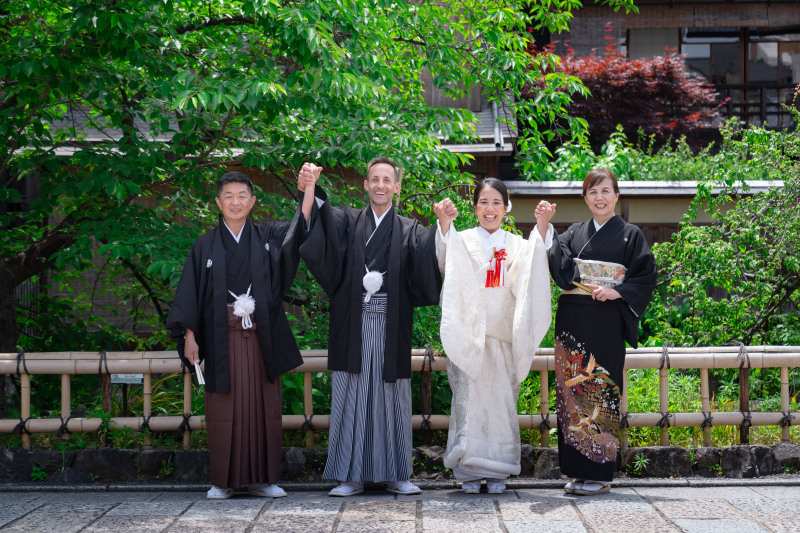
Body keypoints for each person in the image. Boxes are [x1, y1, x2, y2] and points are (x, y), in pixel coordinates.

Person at [296, 157, 442, 497]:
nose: (380, 185)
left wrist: (443, 226)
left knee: (392, 397)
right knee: (352, 393)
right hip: (353, 320)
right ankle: (351, 476)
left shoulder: (409, 228)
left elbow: (427, 262)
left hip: (391, 322)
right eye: (374, 179)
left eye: (386, 180)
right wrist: (311, 186)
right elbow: (320, 223)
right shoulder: (348, 221)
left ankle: (398, 474)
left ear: (396, 186)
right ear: (365, 185)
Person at [166, 171, 315, 499]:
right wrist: (189, 336)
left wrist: (309, 188)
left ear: (253, 202)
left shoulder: (267, 237)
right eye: (228, 196)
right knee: (223, 410)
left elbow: (299, 228)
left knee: (266, 408)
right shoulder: (204, 244)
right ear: (218, 203)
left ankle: (266, 480)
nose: (235, 202)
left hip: (262, 339)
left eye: (242, 196)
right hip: (221, 340)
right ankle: (223, 481)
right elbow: (191, 293)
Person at [535, 168, 657, 496]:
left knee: (599, 391)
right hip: (573, 319)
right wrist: (544, 226)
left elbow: (646, 275)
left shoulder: (630, 235)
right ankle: (576, 471)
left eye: (605, 191)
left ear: (616, 195)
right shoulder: (575, 232)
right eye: (592, 192)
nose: (599, 198)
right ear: (585, 198)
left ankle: (600, 475)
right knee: (572, 393)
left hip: (605, 320)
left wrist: (618, 292)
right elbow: (559, 267)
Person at [434, 178, 552, 494]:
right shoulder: (462, 240)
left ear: (506, 207)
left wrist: (541, 227)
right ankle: (469, 472)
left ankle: (499, 471)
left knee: (501, 402)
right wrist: (445, 226)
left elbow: (535, 265)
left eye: (497, 202)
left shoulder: (516, 245)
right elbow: (446, 262)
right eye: (484, 202)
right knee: (468, 402)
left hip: (502, 334)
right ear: (475, 207)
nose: (490, 209)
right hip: (469, 334)